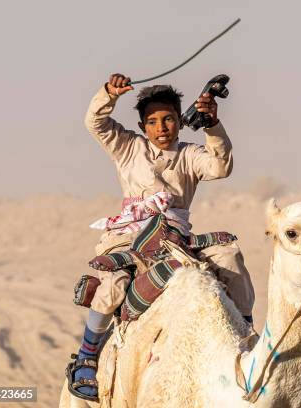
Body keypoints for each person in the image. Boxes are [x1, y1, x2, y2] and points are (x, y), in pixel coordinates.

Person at [66, 73, 255, 401]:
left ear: (180, 122)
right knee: (113, 284)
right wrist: (109, 93)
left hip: (174, 238)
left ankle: (246, 337)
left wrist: (211, 125)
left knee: (229, 256)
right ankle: (86, 357)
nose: (161, 127)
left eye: (168, 119)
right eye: (152, 121)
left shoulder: (189, 155)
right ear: (142, 126)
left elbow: (221, 166)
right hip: (129, 236)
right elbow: (94, 121)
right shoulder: (128, 148)